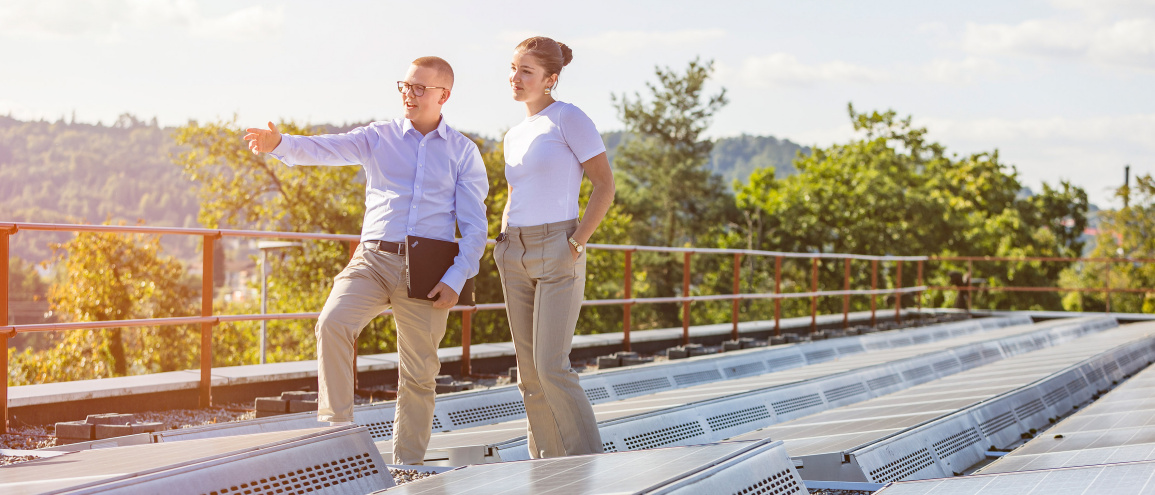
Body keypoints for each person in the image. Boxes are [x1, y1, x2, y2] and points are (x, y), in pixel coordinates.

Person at [242, 56, 489, 465]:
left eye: (420, 88)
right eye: (405, 86)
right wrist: (281, 144)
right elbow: (327, 147)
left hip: (428, 271)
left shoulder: (463, 153)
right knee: (332, 323)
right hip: (373, 259)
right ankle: (337, 441)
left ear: (444, 95)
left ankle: (407, 465)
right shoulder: (380, 136)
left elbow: (475, 227)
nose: (409, 94)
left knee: (418, 373)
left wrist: (458, 276)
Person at [495, 36, 616, 458]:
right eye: (513, 68)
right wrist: (502, 239)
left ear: (550, 79)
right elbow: (515, 191)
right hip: (513, 249)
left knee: (552, 367)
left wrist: (577, 242)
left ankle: (590, 465)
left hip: (558, 244)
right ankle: (547, 467)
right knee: (528, 375)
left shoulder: (569, 117)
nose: (515, 77)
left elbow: (605, 185)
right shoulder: (513, 134)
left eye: (526, 71)